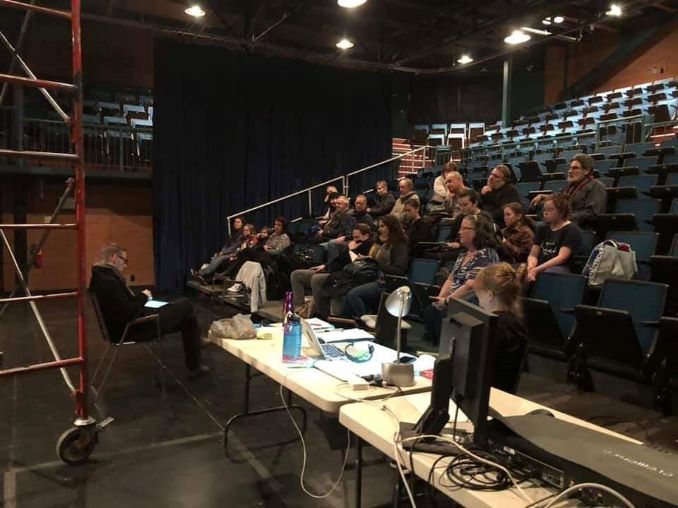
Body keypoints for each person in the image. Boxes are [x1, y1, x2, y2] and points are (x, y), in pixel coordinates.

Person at [90, 243, 209, 379]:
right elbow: (128, 313)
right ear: (114, 257)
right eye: (124, 260)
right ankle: (196, 356)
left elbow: (124, 308)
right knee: (185, 304)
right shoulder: (109, 282)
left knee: (189, 319)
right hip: (135, 328)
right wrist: (144, 297)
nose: (125, 265)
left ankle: (195, 364)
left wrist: (140, 300)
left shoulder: (100, 277)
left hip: (127, 325)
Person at [422, 214, 500, 344]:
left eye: (465, 228)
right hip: (454, 300)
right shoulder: (463, 254)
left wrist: (447, 301)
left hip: (473, 304)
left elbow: (470, 287)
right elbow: (451, 279)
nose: (459, 232)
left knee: (444, 314)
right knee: (430, 310)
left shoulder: (486, 255)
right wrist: (440, 299)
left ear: (477, 232)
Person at [290, 224, 373, 318]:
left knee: (316, 279)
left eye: (357, 237)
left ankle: (322, 314)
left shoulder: (367, 247)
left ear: (366, 236)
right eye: (353, 237)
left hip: (342, 276)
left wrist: (352, 250)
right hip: (331, 269)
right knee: (296, 275)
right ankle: (299, 309)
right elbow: (338, 260)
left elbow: (350, 264)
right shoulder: (353, 244)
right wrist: (325, 266)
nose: (354, 240)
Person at [474, 263, 528, 393]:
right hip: (500, 390)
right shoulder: (514, 322)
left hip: (487, 393)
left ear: (489, 294)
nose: (479, 302)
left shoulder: (493, 328)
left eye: (479, 296)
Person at [344, 215, 409, 319]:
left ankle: (365, 324)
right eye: (379, 226)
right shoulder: (382, 243)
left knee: (353, 295)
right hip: (374, 277)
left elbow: (399, 270)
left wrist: (375, 262)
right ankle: (352, 322)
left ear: (391, 227)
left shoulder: (400, 245)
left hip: (387, 282)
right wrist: (367, 259)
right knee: (343, 288)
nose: (379, 229)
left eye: (382, 226)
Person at [530, 154, 606, 226]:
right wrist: (544, 197)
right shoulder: (571, 186)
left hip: (580, 227)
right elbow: (561, 198)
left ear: (586, 171)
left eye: (575, 168)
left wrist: (563, 217)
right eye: (570, 168)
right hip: (563, 223)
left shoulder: (596, 186)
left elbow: (593, 214)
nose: (570, 171)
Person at [527, 194, 583, 282]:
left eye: (550, 210)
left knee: (548, 274)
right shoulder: (542, 228)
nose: (545, 213)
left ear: (561, 212)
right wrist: (531, 267)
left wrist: (536, 270)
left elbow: (562, 258)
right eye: (544, 209)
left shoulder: (571, 230)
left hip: (564, 267)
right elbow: (533, 254)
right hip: (542, 264)